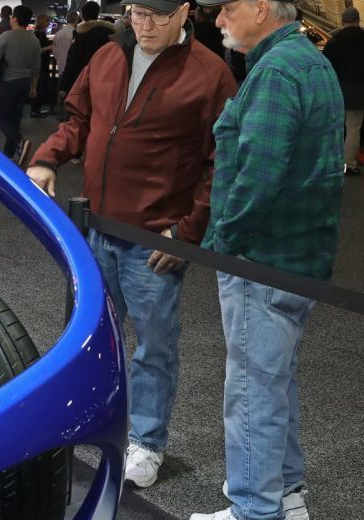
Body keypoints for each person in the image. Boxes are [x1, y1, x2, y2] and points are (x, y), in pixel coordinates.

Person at [27, 0, 238, 493]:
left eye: (157, 15)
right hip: (96, 228)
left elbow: (221, 163)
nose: (145, 25)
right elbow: (79, 119)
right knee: (89, 334)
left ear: (184, 12)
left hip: (154, 241)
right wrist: (48, 157)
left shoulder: (210, 74)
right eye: (137, 13)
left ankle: (146, 440)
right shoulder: (108, 55)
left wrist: (188, 233)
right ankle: (87, 415)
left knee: (154, 347)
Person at [190, 0, 344, 515]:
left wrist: (225, 241)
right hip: (300, 255)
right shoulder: (307, 61)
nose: (218, 20)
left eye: (227, 8)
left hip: (264, 259)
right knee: (274, 381)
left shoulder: (277, 71)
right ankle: (286, 496)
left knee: (253, 389)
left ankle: (256, 508)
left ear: (260, 8)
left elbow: (258, 175)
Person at [0, 5, 39, 164]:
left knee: (0, 116)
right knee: (15, 118)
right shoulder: (34, 40)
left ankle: (20, 142)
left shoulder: (6, 36)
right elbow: (36, 67)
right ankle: (9, 154)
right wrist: (33, 87)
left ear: (15, 19)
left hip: (9, 82)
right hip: (26, 82)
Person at [322, 6, 364, 176]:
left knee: (338, 126)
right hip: (359, 90)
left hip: (337, 89)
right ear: (358, 20)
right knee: (354, 127)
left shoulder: (333, 41)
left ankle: (334, 160)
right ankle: (349, 163)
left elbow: (325, 66)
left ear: (343, 21)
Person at [59, 1, 115, 97]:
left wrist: (64, 86)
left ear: (83, 15)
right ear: (97, 14)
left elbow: (72, 60)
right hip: (104, 81)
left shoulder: (81, 34)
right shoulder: (110, 34)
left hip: (82, 80)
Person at [52, 12, 78, 117]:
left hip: (61, 68)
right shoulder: (76, 34)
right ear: (76, 20)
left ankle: (59, 115)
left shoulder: (58, 34)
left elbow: (55, 53)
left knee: (60, 92)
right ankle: (67, 117)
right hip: (72, 70)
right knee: (71, 94)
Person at [30, 13, 54, 117]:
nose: (49, 23)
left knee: (41, 88)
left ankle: (36, 110)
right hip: (39, 65)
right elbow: (35, 51)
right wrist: (47, 48)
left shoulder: (41, 34)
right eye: (47, 21)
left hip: (43, 64)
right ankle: (35, 110)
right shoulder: (36, 35)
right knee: (40, 88)